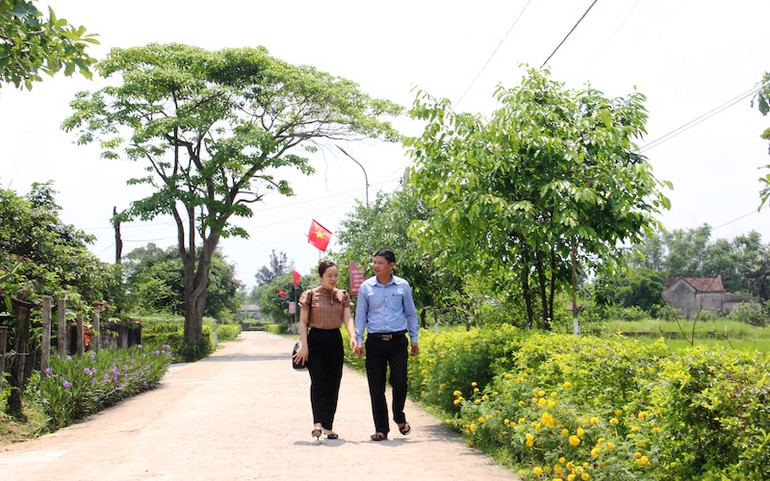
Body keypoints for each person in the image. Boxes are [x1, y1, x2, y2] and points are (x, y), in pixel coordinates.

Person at [354, 249, 419, 441]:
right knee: (376, 387)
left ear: (391, 266)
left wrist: (414, 338)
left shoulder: (402, 286)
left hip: (398, 341)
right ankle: (381, 429)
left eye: (380, 263)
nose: (375, 266)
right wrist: (359, 340)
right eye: (374, 262)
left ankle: (399, 416)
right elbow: (360, 316)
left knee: (400, 381)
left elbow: (411, 313)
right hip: (375, 342)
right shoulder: (366, 287)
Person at [293, 260, 356, 440]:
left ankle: (328, 426)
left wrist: (353, 336)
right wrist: (304, 346)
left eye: (336, 275)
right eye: (329, 276)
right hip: (315, 341)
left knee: (333, 384)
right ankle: (318, 423)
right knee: (319, 382)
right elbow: (303, 322)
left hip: (334, 341)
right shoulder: (310, 295)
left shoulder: (342, 295)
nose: (333, 279)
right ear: (320, 277)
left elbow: (347, 318)